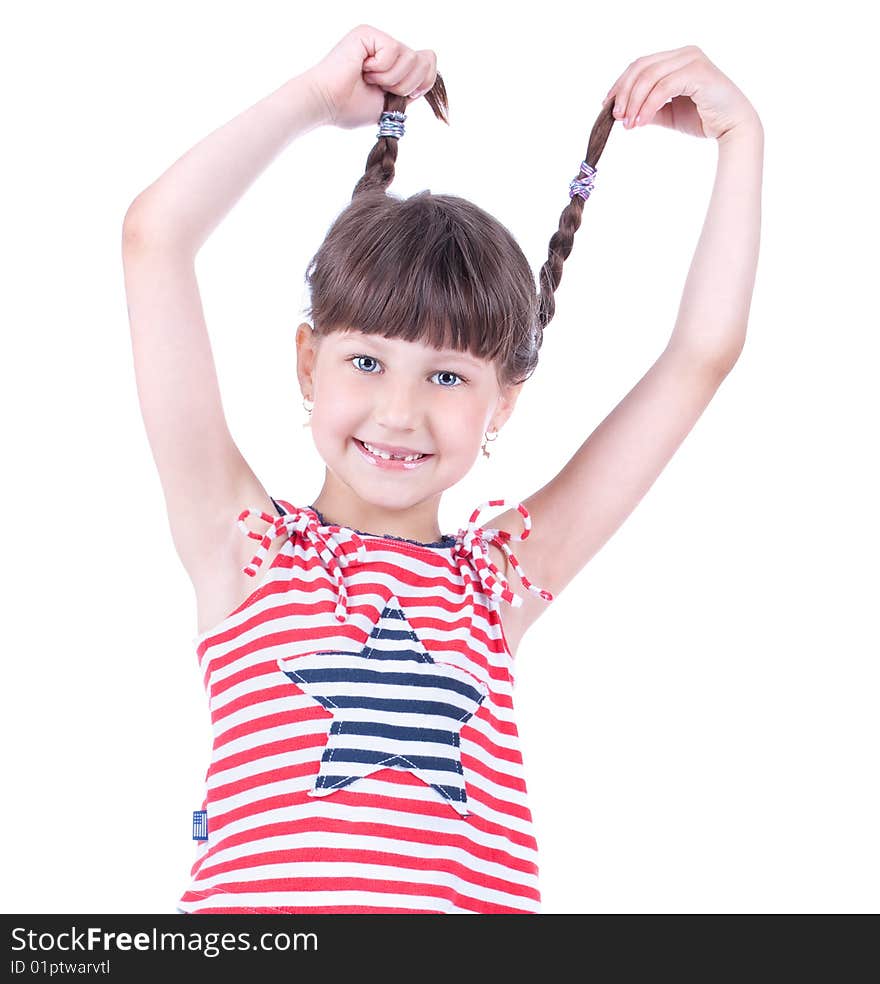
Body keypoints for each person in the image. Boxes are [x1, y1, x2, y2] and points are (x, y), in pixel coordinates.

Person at [121, 25, 763, 913]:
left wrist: (741, 138)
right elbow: (154, 238)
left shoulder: (500, 580)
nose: (399, 412)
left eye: (449, 376)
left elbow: (701, 354)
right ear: (309, 362)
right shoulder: (246, 549)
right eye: (367, 362)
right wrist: (312, 100)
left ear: (502, 405)